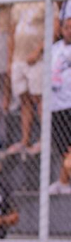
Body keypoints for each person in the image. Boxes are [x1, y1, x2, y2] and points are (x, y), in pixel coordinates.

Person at [6, 0, 45, 155]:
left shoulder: (46, 1)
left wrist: (38, 51)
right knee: (24, 99)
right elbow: (12, 33)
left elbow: (53, 30)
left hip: (36, 59)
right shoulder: (18, 4)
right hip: (18, 59)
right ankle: (25, 139)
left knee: (39, 98)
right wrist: (10, 59)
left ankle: (45, 137)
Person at [50, 17, 71, 161]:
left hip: (70, 104)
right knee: (63, 151)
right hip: (56, 107)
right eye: (67, 28)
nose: (70, 31)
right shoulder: (54, 48)